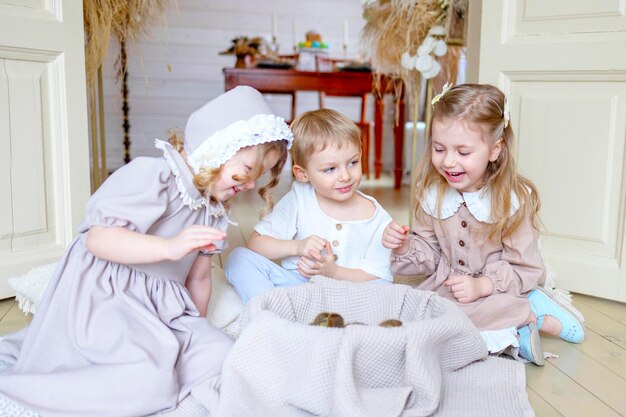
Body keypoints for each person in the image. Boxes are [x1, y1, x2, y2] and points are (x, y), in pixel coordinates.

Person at [0, 86, 293, 416]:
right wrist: (168, 247)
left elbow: (198, 279)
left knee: (222, 354)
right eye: (246, 173)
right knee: (148, 381)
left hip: (162, 310)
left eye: (259, 177)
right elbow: (97, 239)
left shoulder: (212, 210)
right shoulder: (156, 177)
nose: (251, 185)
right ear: (217, 150)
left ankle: (169, 360)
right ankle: (27, 393)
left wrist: (193, 331)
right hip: (109, 300)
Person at [382, 83, 585, 366]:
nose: (448, 161)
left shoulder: (511, 200)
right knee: (420, 312)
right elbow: (429, 256)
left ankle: (532, 312)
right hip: (449, 286)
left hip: (498, 288)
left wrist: (483, 285)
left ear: (494, 150)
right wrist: (406, 246)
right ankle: (520, 330)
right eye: (439, 148)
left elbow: (525, 267)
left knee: (462, 324)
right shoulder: (432, 193)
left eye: (463, 152)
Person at [225, 108, 393, 304]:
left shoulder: (374, 214)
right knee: (238, 259)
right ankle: (271, 313)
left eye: (353, 162)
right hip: (297, 288)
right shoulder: (300, 198)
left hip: (349, 294)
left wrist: (334, 272)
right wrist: (297, 246)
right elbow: (256, 244)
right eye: (330, 169)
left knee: (385, 288)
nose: (345, 176)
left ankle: (311, 319)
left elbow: (378, 273)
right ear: (302, 174)